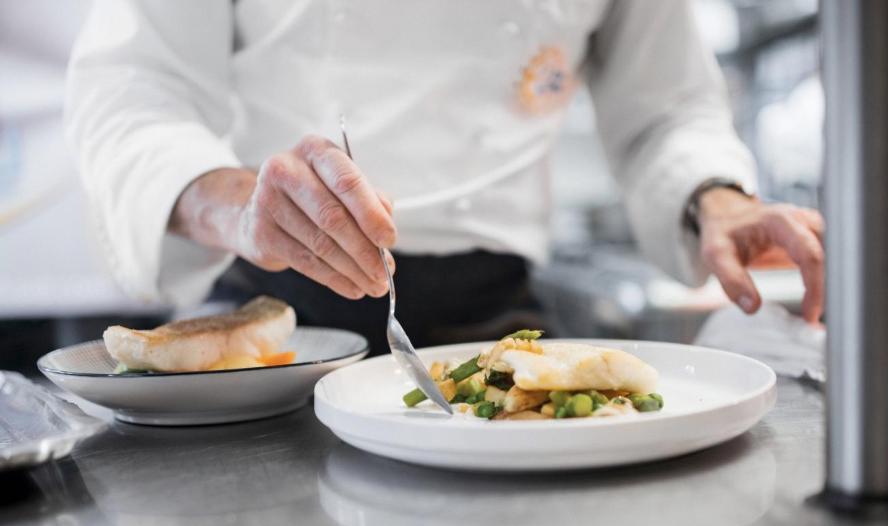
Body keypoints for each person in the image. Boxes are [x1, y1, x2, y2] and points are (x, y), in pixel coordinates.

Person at [65, 0, 824, 355]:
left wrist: (717, 198)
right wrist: (232, 205)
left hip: (495, 322)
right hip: (269, 330)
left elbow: (667, 109)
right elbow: (132, 89)